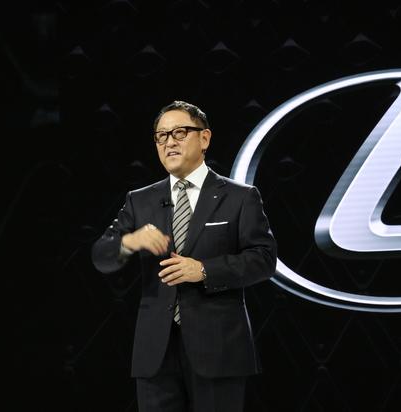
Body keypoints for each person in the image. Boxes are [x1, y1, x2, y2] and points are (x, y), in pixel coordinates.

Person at [92, 100, 277, 412]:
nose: (169, 142)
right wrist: (130, 241)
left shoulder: (240, 197)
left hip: (219, 350)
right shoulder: (140, 200)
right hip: (156, 354)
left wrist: (203, 270)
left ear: (204, 138)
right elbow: (101, 255)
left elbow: (264, 259)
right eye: (161, 136)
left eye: (179, 132)